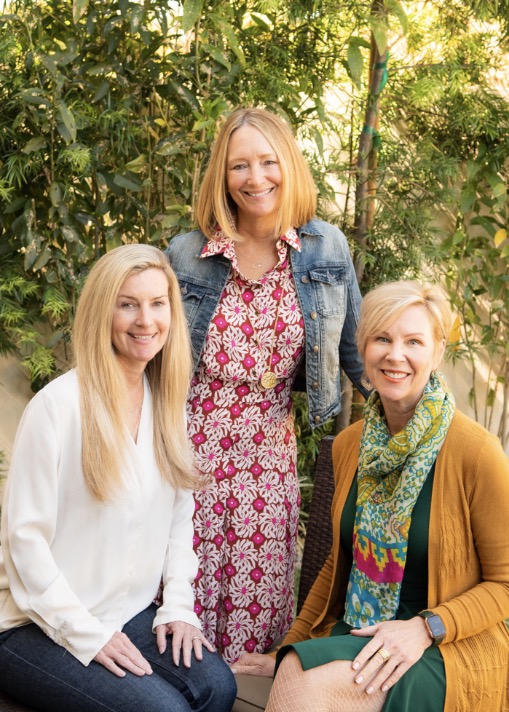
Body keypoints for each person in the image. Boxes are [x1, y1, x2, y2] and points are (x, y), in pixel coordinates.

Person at [233, 280, 509, 712]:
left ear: (437, 352)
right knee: (292, 668)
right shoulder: (350, 445)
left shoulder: (476, 454)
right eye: (382, 338)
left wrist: (424, 628)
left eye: (413, 341)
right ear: (363, 349)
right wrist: (287, 646)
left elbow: (506, 584)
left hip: (448, 646)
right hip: (361, 628)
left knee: (306, 686)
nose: (395, 355)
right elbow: (339, 563)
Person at [165, 107, 367, 663]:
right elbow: (149, 355)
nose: (255, 178)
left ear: (289, 165)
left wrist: (419, 417)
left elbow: (355, 351)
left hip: (266, 465)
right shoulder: (186, 254)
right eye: (239, 166)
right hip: (187, 455)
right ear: (222, 176)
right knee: (181, 618)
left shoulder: (325, 249)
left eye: (267, 161)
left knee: (254, 642)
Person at [0, 245, 236, 712]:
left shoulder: (164, 404)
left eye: (157, 303)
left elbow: (178, 522)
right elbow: (24, 543)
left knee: (219, 687)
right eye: (127, 304)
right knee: (162, 710)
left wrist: (178, 606)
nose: (145, 320)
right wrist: (87, 635)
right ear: (101, 312)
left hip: (126, 615)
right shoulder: (57, 408)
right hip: (33, 625)